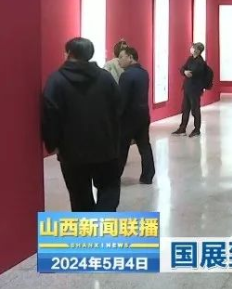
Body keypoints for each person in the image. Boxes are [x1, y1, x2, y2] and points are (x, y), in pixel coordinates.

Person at [41, 38, 122, 212]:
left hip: (71, 152)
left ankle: (88, 226)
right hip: (105, 147)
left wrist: (52, 143)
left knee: (79, 197)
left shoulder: (56, 80)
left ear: (69, 54)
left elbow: (51, 115)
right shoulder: (105, 78)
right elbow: (118, 109)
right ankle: (102, 221)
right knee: (109, 190)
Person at [117, 46, 155, 184]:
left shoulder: (126, 75)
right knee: (144, 145)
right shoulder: (144, 73)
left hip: (128, 118)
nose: (119, 60)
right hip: (143, 115)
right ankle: (148, 175)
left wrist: (116, 116)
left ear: (130, 57)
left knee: (121, 148)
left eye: (121, 57)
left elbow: (122, 99)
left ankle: (114, 176)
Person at [172, 42, 207, 138]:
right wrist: (184, 71)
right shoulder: (190, 59)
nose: (192, 48)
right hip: (187, 87)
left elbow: (193, 72)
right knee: (185, 109)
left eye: (194, 47)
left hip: (195, 89)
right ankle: (182, 128)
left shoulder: (200, 62)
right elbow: (183, 68)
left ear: (198, 50)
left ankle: (197, 129)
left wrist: (187, 72)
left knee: (195, 109)